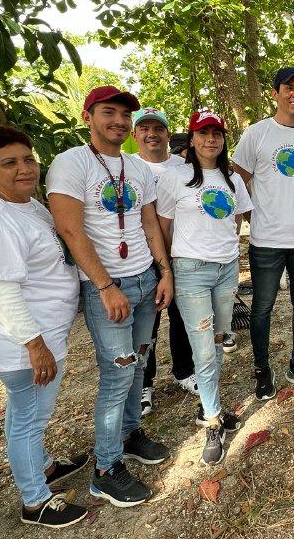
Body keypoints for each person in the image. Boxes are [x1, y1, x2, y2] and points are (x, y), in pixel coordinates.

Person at [47, 85, 172, 507]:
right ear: (88, 115)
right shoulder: (70, 163)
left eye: (124, 115)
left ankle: (130, 433)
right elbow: (70, 229)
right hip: (107, 287)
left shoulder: (136, 168)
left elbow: (150, 223)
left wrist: (164, 272)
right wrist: (103, 285)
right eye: (109, 112)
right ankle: (104, 469)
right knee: (118, 373)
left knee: (139, 363)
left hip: (143, 279)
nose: (118, 121)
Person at [0, 126, 88, 528]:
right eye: (9, 163)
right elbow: (2, 291)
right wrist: (35, 345)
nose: (24, 169)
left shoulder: (28, 205)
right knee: (28, 419)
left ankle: (42, 466)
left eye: (28, 159)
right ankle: (35, 500)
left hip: (40, 335)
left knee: (24, 413)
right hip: (22, 343)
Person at [157, 110, 254, 463]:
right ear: (192, 137)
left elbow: (240, 217)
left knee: (218, 339)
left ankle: (210, 405)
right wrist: (165, 269)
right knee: (203, 347)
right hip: (190, 270)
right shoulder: (175, 178)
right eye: (203, 133)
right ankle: (212, 421)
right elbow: (163, 226)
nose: (210, 139)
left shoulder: (233, 179)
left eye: (216, 133)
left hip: (227, 270)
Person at [231, 67, 294, 399]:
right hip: (266, 241)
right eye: (289, 87)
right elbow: (237, 181)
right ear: (275, 93)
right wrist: (252, 217)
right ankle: (262, 369)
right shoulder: (256, 134)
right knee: (262, 307)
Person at [130, 107, 199, 417]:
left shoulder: (184, 166)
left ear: (168, 134)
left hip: (181, 254)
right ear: (134, 135)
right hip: (143, 260)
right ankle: (145, 382)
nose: (151, 134)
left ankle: (184, 371)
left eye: (158, 128)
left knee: (182, 317)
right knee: (148, 324)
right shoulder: (127, 168)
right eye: (144, 128)